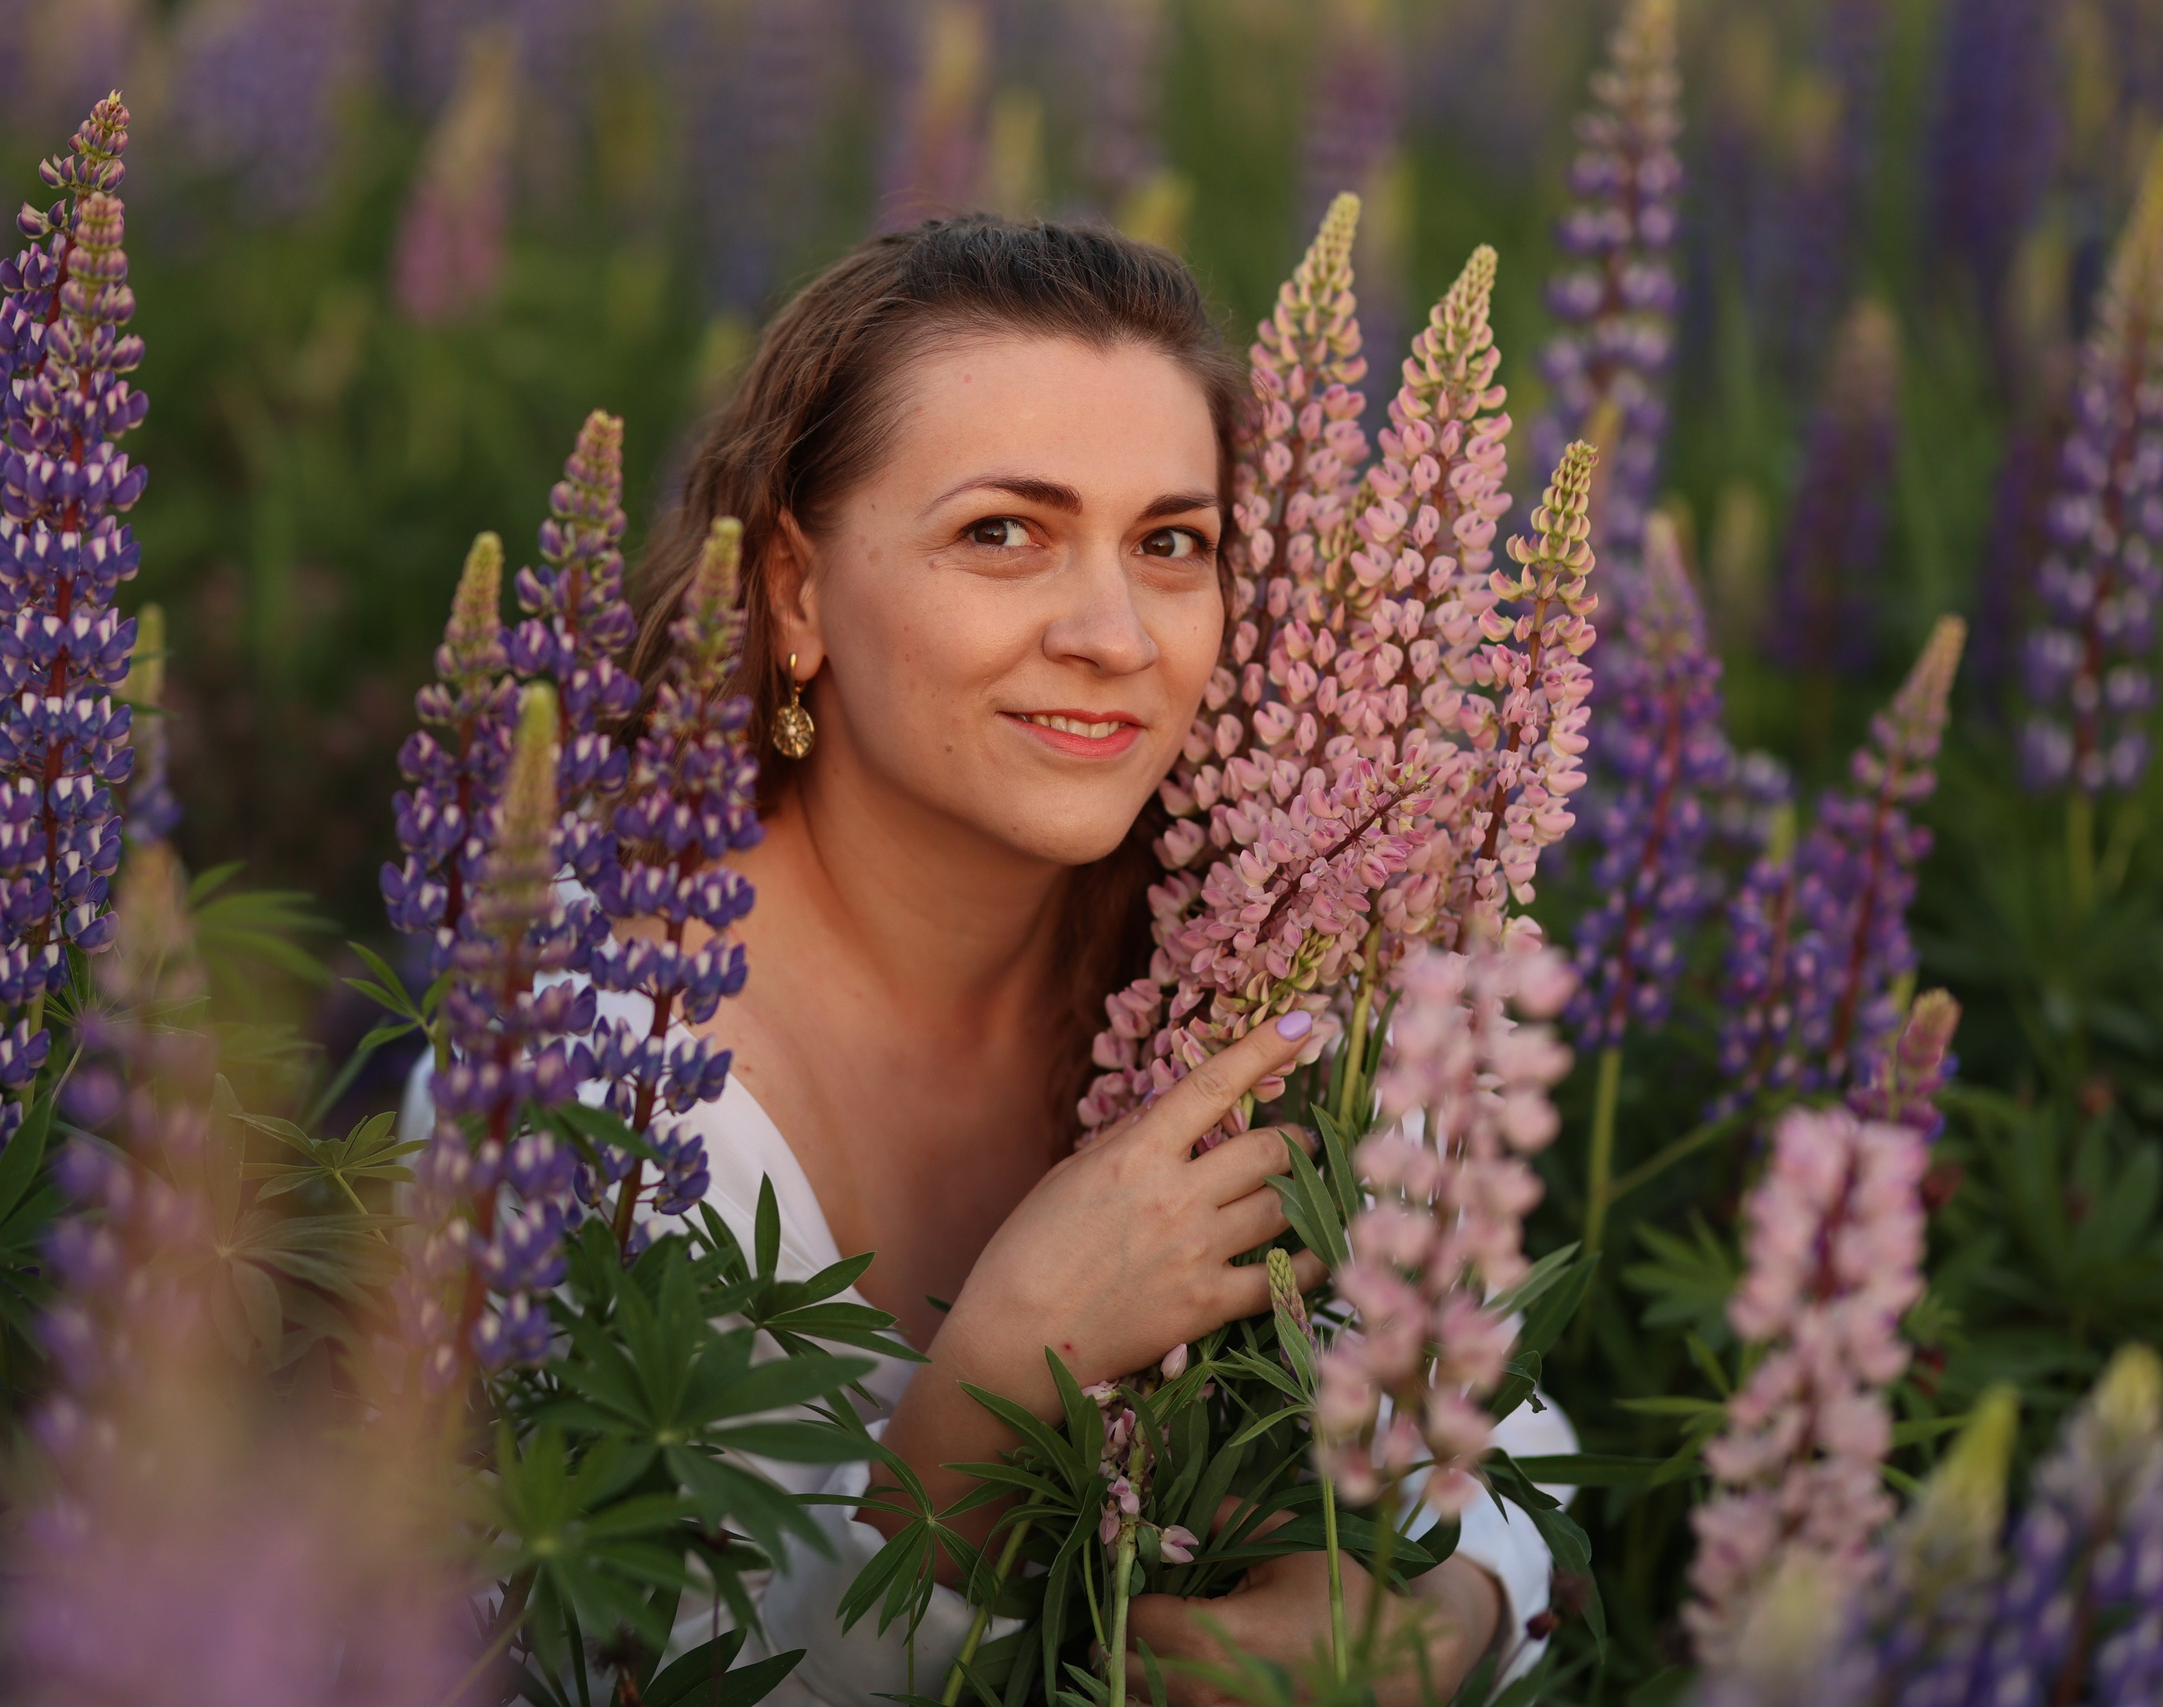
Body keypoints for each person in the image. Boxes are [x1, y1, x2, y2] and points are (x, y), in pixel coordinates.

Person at [407, 214, 1575, 1707]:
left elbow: (1500, 1417)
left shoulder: (1264, 951)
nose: (1110, 632)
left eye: (1171, 544)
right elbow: (596, 1655)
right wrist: (992, 1385)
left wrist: (1432, 1620)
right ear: (794, 592)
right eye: (1003, 532)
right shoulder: (586, 1068)